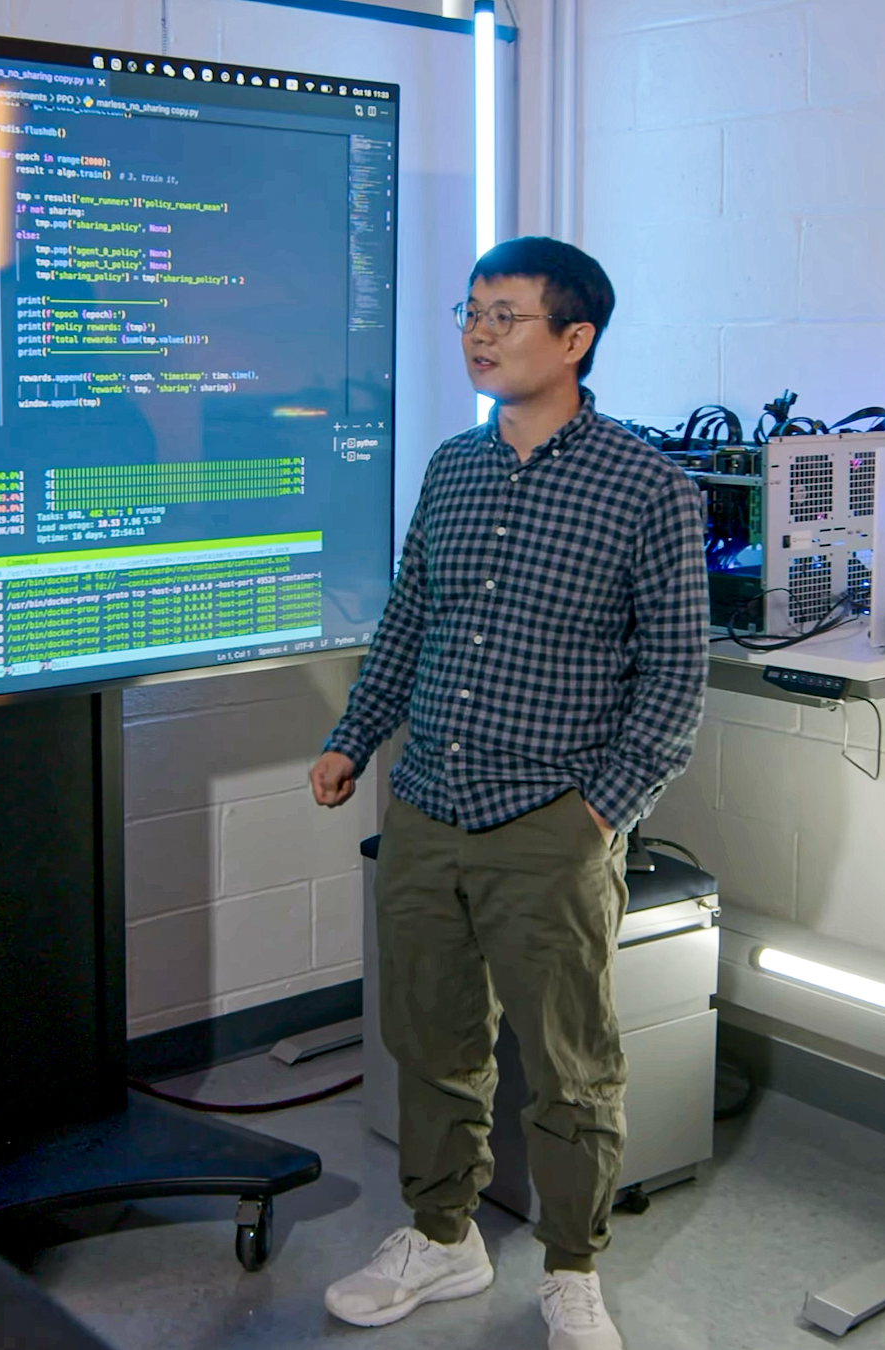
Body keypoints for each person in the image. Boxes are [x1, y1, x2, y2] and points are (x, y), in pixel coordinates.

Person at [307, 237, 706, 1350]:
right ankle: (443, 1239)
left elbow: (676, 680)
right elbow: (410, 625)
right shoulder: (454, 467)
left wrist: (598, 815)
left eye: (507, 315)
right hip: (428, 805)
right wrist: (355, 737)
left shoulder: (647, 489)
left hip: (551, 825)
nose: (479, 334)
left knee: (572, 1069)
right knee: (431, 1044)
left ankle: (574, 1269)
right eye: (470, 312)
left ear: (574, 340)